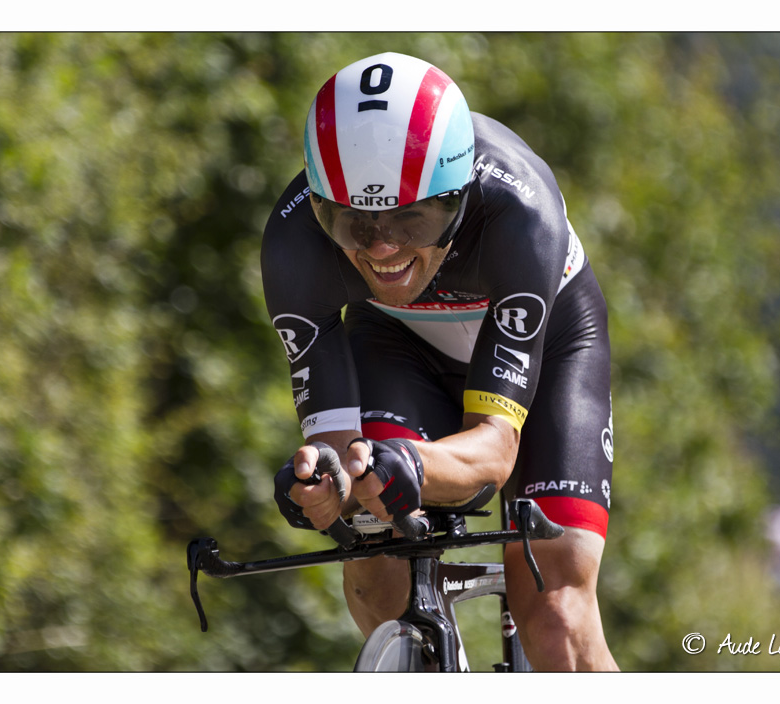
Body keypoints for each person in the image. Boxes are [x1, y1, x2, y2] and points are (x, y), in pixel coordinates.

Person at [262, 51, 618, 671]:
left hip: (551, 342)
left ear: (457, 196)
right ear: (321, 206)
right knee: (375, 569)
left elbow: (495, 453)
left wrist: (410, 464)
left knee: (557, 614)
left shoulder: (521, 212)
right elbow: (339, 452)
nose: (383, 247)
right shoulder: (296, 243)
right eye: (352, 222)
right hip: (398, 342)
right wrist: (326, 484)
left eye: (412, 217)